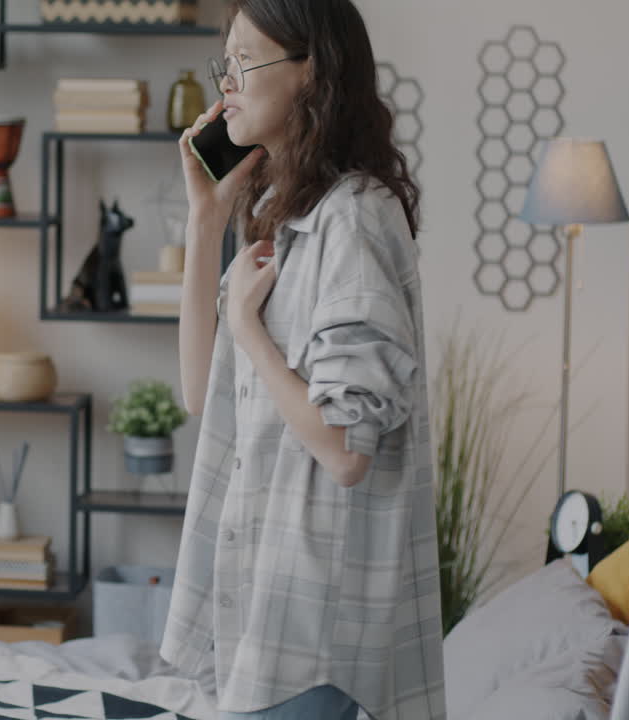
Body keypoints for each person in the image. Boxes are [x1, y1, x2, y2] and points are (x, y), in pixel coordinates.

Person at [158, 1, 446, 718]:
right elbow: (202, 394)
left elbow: (348, 449)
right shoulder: (288, 217)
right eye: (223, 65)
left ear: (310, 69)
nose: (227, 85)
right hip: (268, 619)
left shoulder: (354, 217)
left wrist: (251, 330)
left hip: (320, 642)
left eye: (244, 63)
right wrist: (206, 222)